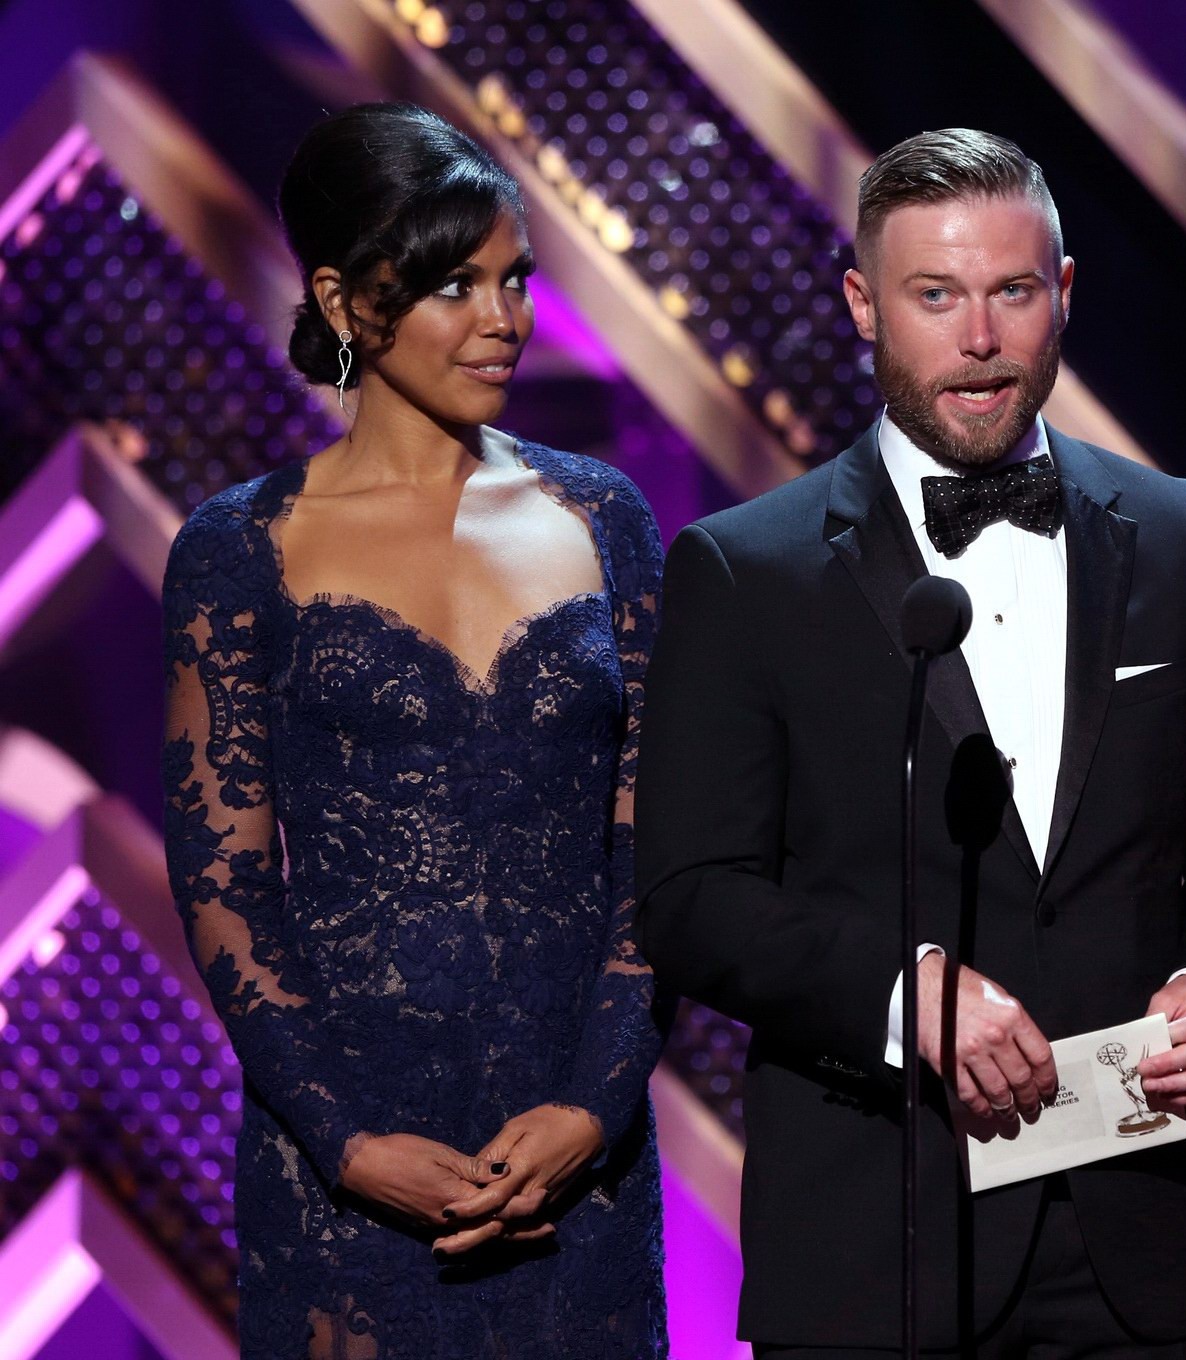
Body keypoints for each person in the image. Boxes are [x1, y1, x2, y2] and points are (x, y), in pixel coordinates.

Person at [635, 129, 1186, 1356]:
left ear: (1064, 293)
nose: (980, 337)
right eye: (934, 295)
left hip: (1138, 1240)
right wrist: (909, 993)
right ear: (863, 304)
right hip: (875, 1243)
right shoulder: (748, 570)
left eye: (1011, 291)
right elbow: (691, 899)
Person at [161, 104, 668, 1358]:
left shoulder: (606, 516)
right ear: (342, 299)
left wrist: (596, 1108)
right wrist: (344, 1141)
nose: (503, 320)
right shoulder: (240, 548)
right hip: (348, 1184)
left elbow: (665, 851)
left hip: (579, 1168)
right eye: (453, 286)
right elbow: (224, 882)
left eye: (514, 280)